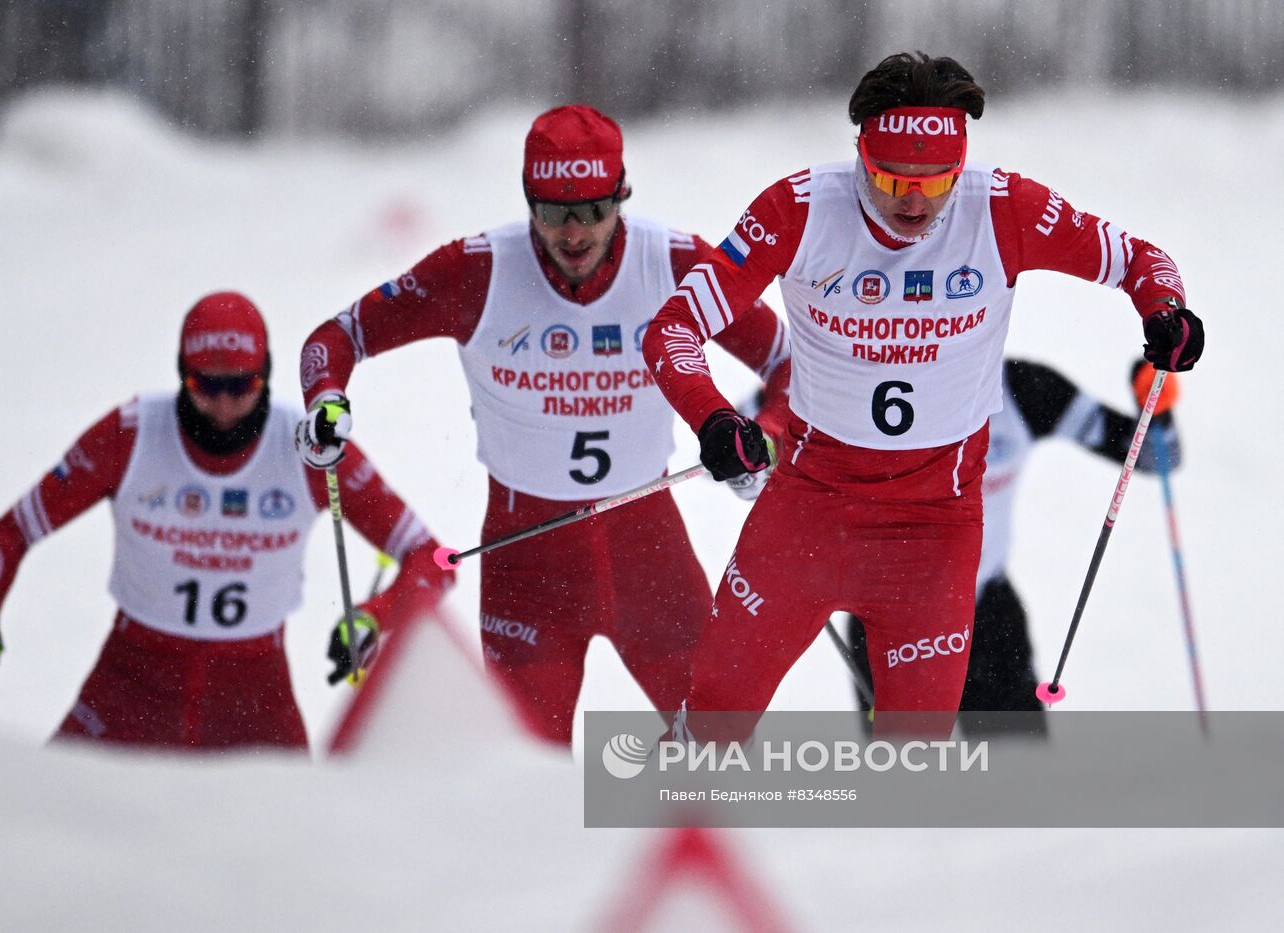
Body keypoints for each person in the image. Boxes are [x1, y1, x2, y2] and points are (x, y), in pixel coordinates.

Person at [642, 52, 1204, 736]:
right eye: (888, 179)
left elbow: (1142, 260)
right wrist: (713, 417)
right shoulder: (798, 208)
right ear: (859, 155)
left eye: (936, 182)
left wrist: (1165, 310)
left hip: (934, 530)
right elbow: (673, 328)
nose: (914, 202)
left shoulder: (1001, 207)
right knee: (711, 721)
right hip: (809, 510)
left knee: (913, 764)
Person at [295, 105, 792, 746]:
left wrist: (767, 440)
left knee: (722, 753)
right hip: (527, 567)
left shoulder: (672, 263)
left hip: (650, 558)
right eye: (554, 211)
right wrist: (324, 400)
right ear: (529, 201)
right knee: (522, 787)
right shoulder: (476, 270)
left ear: (622, 196)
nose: (575, 232)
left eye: (593, 209)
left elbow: (785, 363)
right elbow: (338, 337)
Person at [0, 292, 452, 751]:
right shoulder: (131, 432)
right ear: (181, 372)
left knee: (294, 847)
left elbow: (432, 558)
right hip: (130, 684)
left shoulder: (305, 447)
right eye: (206, 385)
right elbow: (9, 534)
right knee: (42, 826)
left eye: (242, 385)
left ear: (267, 375)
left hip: (253, 697)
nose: (225, 406)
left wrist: (373, 615)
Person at [834, 359, 1183, 735]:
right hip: (887, 624)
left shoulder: (1024, 390)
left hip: (987, 616)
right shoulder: (863, 392)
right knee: (907, 785)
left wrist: (1158, 414)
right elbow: (767, 436)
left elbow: (1154, 458)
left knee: (1020, 780)